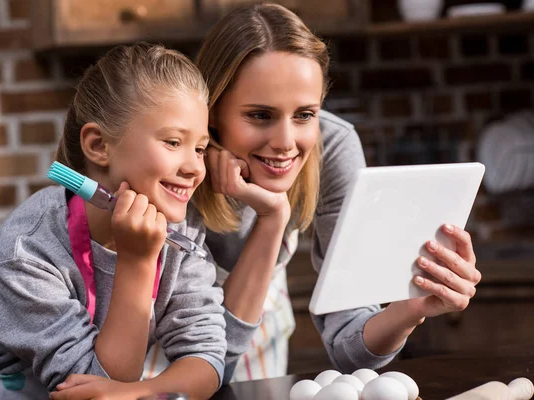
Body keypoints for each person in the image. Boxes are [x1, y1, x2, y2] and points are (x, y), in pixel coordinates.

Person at [51, 3, 481, 397]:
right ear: (212, 111)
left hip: (247, 332)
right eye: (259, 115)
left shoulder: (330, 148)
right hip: (133, 334)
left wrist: (412, 308)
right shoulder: (176, 172)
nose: (286, 143)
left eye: (305, 114)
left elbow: (350, 351)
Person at [0, 43, 230, 400]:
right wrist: (138, 261)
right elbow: (92, 388)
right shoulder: (23, 254)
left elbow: (206, 357)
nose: (194, 167)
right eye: (174, 142)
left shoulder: (182, 232)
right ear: (98, 145)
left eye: (200, 148)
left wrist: (142, 392)